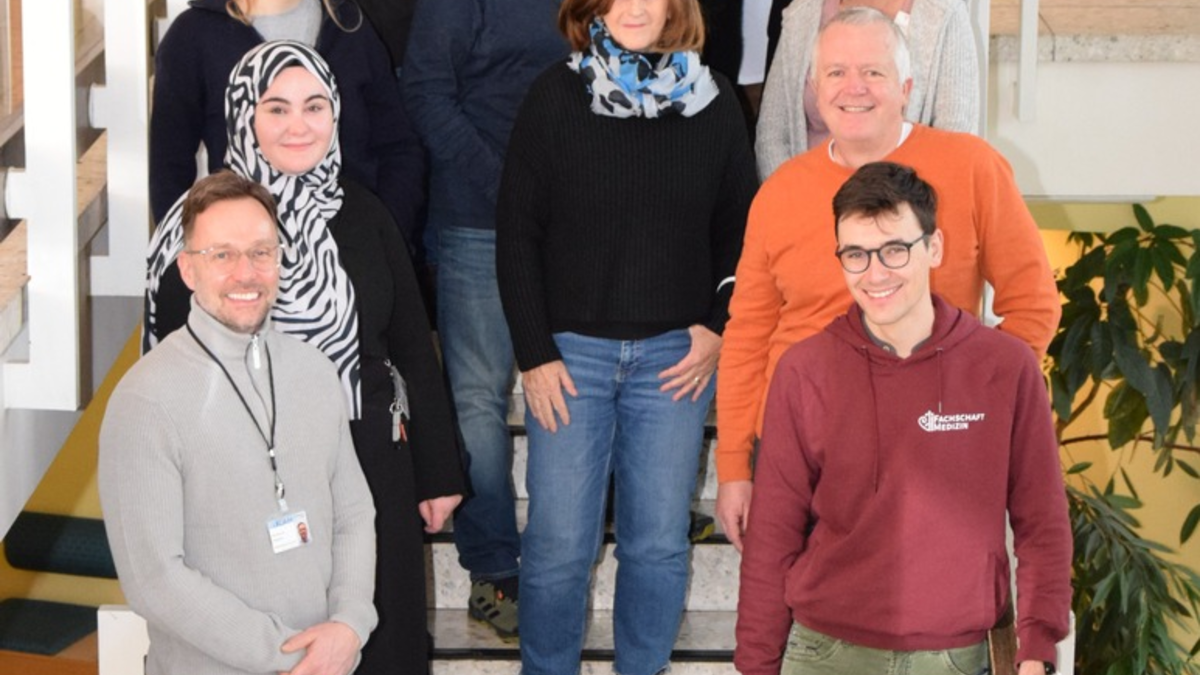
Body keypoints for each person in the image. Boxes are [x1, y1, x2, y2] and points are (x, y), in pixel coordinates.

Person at [143, 42, 465, 675]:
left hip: (370, 465)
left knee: (380, 644)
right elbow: (167, 372)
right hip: (242, 481)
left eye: (315, 106)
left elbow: (409, 343)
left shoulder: (365, 213)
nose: (299, 125)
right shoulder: (199, 229)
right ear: (244, 113)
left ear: (336, 114)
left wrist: (438, 471)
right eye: (277, 107)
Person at [714, 6, 1060, 551]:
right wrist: (734, 465)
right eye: (836, 73)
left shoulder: (971, 168)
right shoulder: (779, 193)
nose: (855, 88)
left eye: (873, 72)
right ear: (813, 87)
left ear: (906, 86)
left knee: (928, 619)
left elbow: (1034, 304)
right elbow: (747, 335)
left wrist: (972, 403)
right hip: (798, 449)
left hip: (929, 446)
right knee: (795, 622)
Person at [495, 0, 758, 671]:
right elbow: (516, 234)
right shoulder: (555, 97)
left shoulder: (715, 101)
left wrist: (718, 325)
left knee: (658, 544)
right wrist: (533, 352)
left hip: (676, 358)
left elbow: (738, 229)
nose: (635, 6)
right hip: (570, 359)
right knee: (557, 546)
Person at [735, 161, 1072, 675]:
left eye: (895, 249)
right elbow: (772, 535)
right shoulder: (805, 370)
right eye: (856, 254)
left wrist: (1037, 650)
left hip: (955, 657)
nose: (875, 273)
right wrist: (756, 665)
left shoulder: (1005, 367)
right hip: (824, 654)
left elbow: (1042, 522)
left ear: (933, 247)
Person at [100, 171, 378, 675]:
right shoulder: (144, 401)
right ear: (187, 269)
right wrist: (287, 653)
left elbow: (354, 514)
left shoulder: (315, 372)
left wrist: (350, 626)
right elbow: (154, 579)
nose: (245, 273)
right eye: (222, 255)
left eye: (261, 252)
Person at [401, 0, 569, 641]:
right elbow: (425, 91)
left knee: (573, 385)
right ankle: (494, 568)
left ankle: (560, 556)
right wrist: (507, 185)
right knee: (475, 401)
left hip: (574, 219)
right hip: (478, 215)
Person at [149, 0, 426, 247]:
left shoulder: (350, 25)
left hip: (354, 258)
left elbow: (398, 147)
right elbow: (168, 165)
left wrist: (385, 233)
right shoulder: (193, 35)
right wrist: (191, 255)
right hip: (244, 264)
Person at [755, 0, 978, 179]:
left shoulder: (944, 12)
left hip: (907, 210)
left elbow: (954, 141)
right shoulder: (802, 13)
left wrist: (896, 213)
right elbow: (772, 134)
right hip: (807, 204)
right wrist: (796, 201)